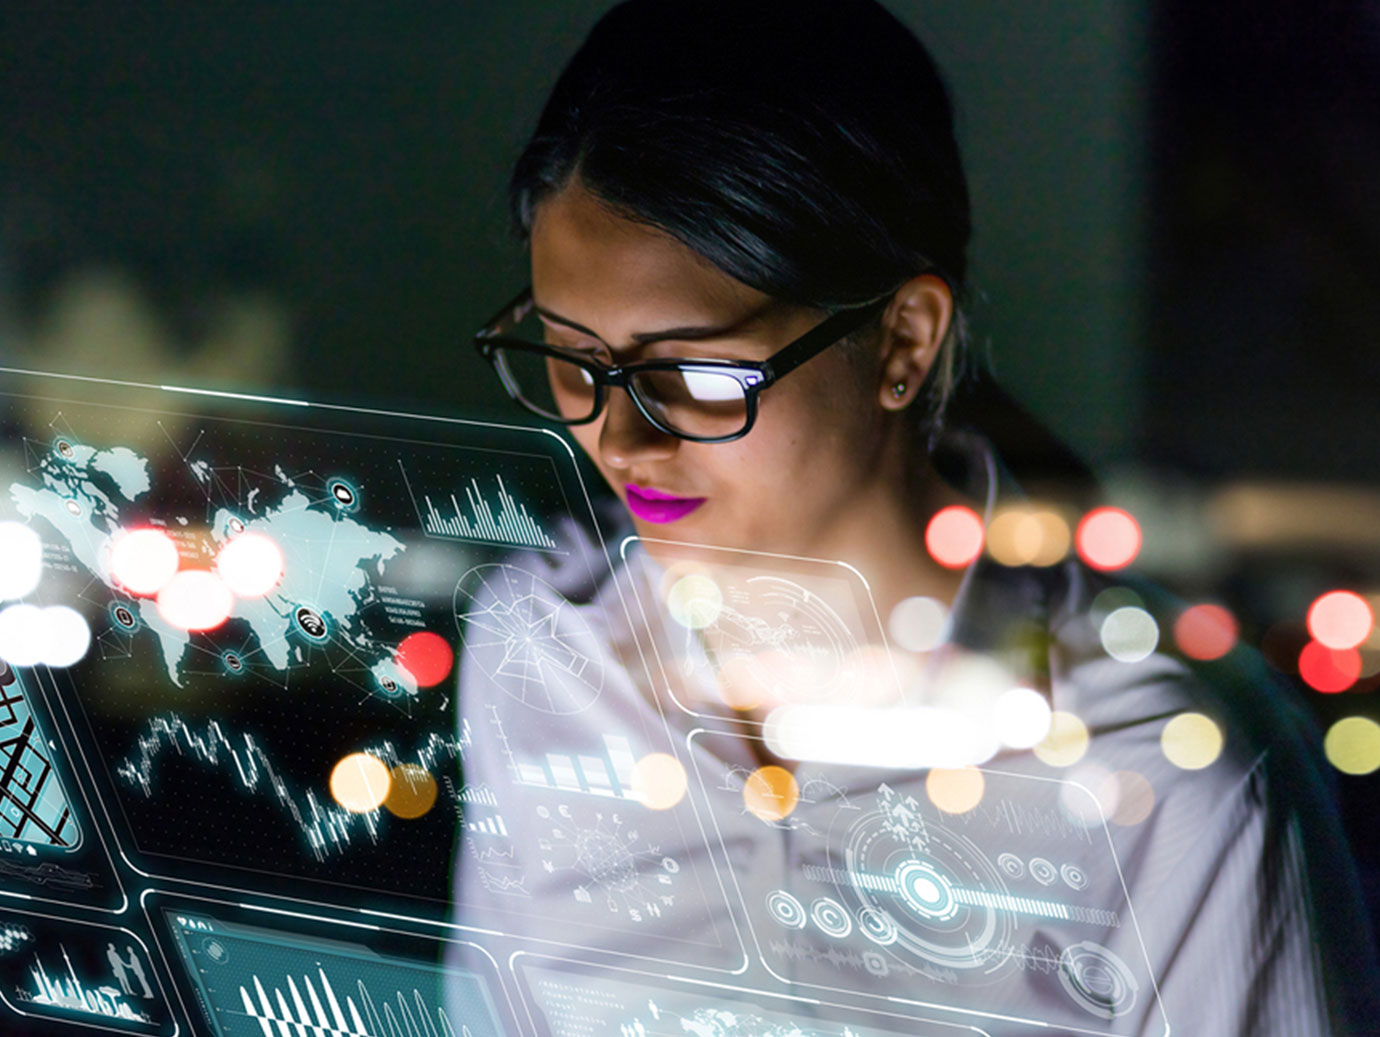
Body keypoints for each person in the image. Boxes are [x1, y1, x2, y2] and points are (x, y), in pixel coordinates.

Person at [453, 2, 1380, 1033]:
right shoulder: (539, 656)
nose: (620, 437)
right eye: (570, 356)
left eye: (695, 371)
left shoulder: (1168, 770)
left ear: (902, 340)